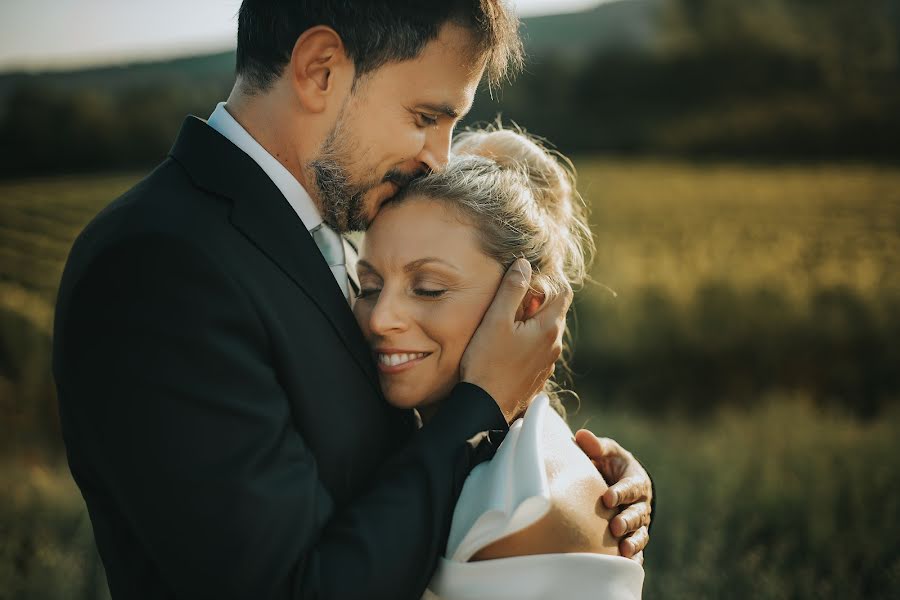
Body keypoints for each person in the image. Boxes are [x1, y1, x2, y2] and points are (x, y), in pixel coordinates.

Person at [51, 2, 653, 599]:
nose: (439, 157)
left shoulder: (329, 227)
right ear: (320, 69)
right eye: (424, 116)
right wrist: (483, 411)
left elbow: (370, 447)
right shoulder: (158, 264)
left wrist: (554, 478)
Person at [353, 126, 646, 599]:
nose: (381, 318)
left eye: (429, 288)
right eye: (368, 288)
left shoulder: (523, 516)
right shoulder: (413, 440)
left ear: (528, 305)